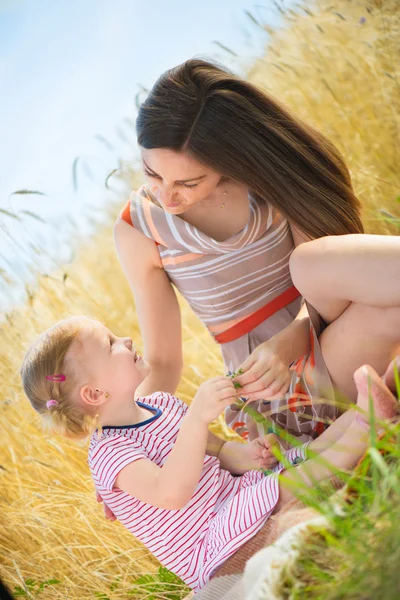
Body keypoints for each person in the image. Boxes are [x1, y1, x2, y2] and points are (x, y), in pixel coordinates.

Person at [21, 234, 400, 592]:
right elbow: (170, 493)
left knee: (302, 455)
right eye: (111, 344)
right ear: (95, 393)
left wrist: (248, 455)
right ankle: (369, 427)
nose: (127, 339)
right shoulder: (109, 455)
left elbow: (218, 453)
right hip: (215, 545)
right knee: (292, 482)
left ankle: (378, 398)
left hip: (237, 499)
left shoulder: (160, 406)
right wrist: (199, 417)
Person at [114, 58, 365, 443]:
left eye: (188, 181)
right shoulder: (139, 229)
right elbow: (162, 363)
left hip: (336, 335)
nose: (166, 196)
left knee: (315, 265)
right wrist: (126, 436)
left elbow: (335, 292)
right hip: (272, 396)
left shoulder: (267, 183)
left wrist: (282, 348)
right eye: (152, 173)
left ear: (225, 162)